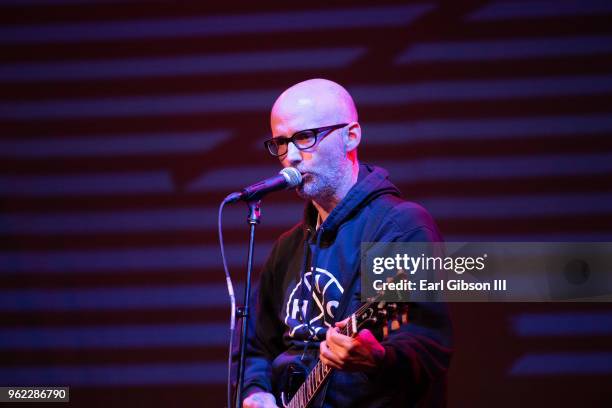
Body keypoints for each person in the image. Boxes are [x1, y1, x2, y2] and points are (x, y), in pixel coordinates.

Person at [240, 78, 452, 407]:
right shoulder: (288, 248)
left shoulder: (399, 228)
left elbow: (428, 344)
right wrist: (256, 392)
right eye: (281, 143)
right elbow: (256, 347)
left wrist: (378, 358)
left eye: (305, 137)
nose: (290, 157)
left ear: (350, 136)